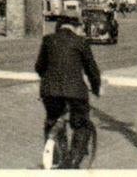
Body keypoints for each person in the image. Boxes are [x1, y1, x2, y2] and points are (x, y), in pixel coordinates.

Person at [34, 17, 102, 168]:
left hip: (50, 91)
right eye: (80, 28)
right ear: (75, 27)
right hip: (75, 92)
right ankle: (72, 164)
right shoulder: (81, 42)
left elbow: (39, 67)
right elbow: (92, 70)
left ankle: (57, 157)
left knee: (52, 120)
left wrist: (49, 77)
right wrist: (96, 89)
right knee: (81, 124)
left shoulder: (48, 40)